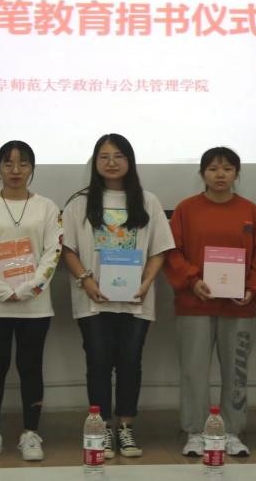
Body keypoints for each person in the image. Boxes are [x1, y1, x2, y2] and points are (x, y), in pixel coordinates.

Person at [61, 133, 174, 459]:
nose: (111, 162)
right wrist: (85, 280)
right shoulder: (79, 203)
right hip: (93, 299)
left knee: (130, 362)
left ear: (129, 161)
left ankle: (125, 427)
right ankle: (101, 429)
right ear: (95, 162)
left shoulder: (148, 201)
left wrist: (146, 283)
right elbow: (67, 249)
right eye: (104, 156)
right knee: (98, 362)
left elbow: (159, 250)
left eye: (118, 156)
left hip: (136, 300)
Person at [163, 147, 256, 458]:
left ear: (237, 173)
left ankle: (232, 431)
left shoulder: (250, 211)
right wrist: (192, 280)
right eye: (212, 169)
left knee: (236, 371)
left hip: (239, 307)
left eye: (227, 168)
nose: (220, 174)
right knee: (194, 371)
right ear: (202, 174)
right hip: (195, 304)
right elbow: (172, 253)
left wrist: (252, 289)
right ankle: (196, 431)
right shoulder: (186, 209)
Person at [0, 141, 61, 463]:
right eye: (8, 164)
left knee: (31, 368)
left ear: (32, 168)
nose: (16, 170)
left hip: (35, 305)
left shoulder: (47, 207)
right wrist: (1, 288)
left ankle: (30, 434)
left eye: (23, 164)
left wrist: (32, 287)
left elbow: (53, 251)